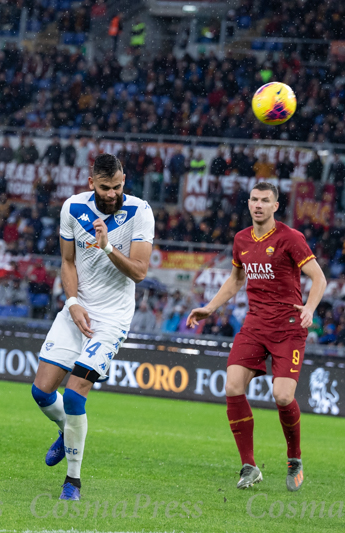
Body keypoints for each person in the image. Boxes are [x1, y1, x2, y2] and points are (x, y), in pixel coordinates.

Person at [187, 182, 326, 492]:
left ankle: (294, 459)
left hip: (289, 327)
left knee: (282, 396)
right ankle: (249, 466)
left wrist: (310, 308)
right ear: (248, 204)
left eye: (265, 200)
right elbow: (236, 280)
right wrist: (210, 308)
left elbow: (319, 277)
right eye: (254, 199)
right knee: (233, 386)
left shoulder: (291, 238)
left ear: (276, 206)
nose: (258, 205)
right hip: (255, 325)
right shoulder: (241, 240)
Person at [30, 153, 155, 500]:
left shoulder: (140, 212)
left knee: (73, 394)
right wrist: (72, 303)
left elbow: (140, 271)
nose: (112, 193)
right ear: (91, 184)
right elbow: (67, 262)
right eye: (105, 187)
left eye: (117, 186)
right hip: (78, 310)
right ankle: (65, 430)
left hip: (113, 318)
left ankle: (73, 480)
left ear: (124, 180)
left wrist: (108, 247)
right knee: (41, 392)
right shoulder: (72, 208)